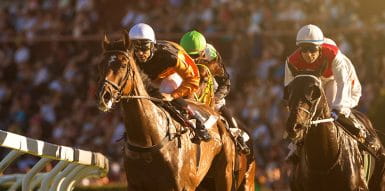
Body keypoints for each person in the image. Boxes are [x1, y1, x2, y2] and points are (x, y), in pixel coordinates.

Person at [284, 24, 383, 158]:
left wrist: (337, 109)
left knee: (333, 109)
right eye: (304, 49)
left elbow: (342, 82)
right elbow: (289, 89)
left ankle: (362, 134)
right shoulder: (292, 61)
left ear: (320, 47)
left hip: (336, 80)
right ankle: (297, 145)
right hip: (315, 83)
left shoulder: (333, 54)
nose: (308, 54)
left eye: (312, 49)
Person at [128, 23, 211, 142]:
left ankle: (199, 120)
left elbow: (193, 79)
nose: (140, 53)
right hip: (152, 79)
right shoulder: (131, 55)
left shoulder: (170, 55)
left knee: (164, 90)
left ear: (152, 45)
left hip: (177, 74)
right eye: (136, 48)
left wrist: (172, 95)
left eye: (144, 48)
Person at [179, 30, 250, 154]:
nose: (192, 60)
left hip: (209, 88)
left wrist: (215, 98)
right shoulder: (178, 54)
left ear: (203, 52)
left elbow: (225, 82)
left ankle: (238, 138)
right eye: (188, 56)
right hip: (187, 89)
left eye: (195, 56)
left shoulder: (212, 55)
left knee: (221, 107)